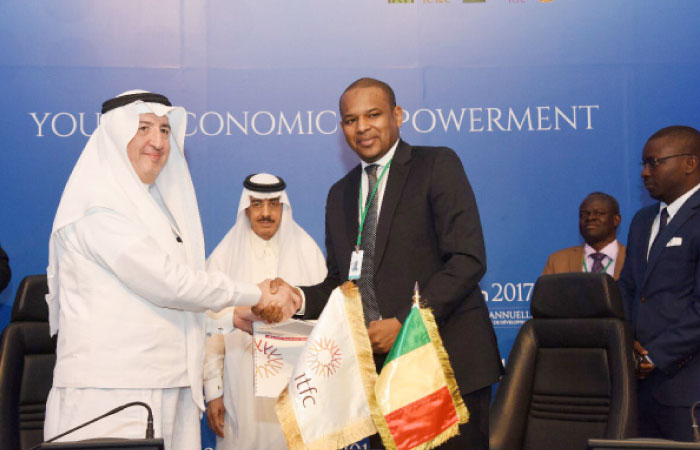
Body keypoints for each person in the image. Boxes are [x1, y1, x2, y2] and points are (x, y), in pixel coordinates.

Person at [44, 91, 299, 449]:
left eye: (165, 129)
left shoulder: (156, 209)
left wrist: (228, 318)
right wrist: (255, 293)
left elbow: (157, 305)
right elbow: (166, 284)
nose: (158, 140)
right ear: (115, 135)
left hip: (170, 385)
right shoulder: (98, 207)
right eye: (144, 127)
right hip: (111, 393)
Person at [281, 78, 502, 449]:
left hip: (447, 371)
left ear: (397, 115)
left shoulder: (436, 165)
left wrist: (403, 322)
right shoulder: (340, 195)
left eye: (373, 114)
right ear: (342, 129)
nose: (362, 127)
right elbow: (341, 283)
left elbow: (466, 259)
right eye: (351, 120)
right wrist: (296, 299)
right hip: (381, 379)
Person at [203, 173, 326, 450]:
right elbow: (212, 333)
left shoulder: (309, 253)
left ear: (284, 207)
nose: (266, 213)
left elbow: (327, 329)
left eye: (274, 204)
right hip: (241, 387)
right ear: (245, 208)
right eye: (257, 204)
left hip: (299, 390)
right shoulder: (224, 257)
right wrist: (214, 392)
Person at [619, 125, 700, 442]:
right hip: (638, 386)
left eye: (654, 162)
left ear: (689, 163)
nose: (644, 173)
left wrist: (655, 357)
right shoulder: (642, 220)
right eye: (643, 163)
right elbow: (627, 290)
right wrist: (629, 347)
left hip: (687, 387)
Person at [542, 192, 626, 279]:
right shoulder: (557, 261)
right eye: (584, 215)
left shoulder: (635, 260)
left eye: (598, 213)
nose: (590, 218)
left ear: (616, 220)